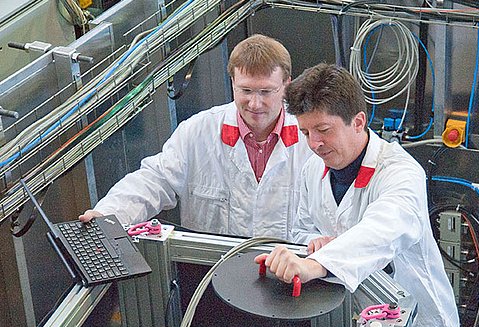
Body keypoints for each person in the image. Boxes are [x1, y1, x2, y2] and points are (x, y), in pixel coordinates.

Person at [255, 63, 478, 327]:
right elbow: (301, 226)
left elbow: (384, 227)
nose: (314, 143)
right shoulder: (315, 168)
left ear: (358, 121)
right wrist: (314, 242)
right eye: (306, 131)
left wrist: (317, 263)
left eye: (324, 130)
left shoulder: (400, 173)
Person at [79, 34, 313, 240]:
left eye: (265, 92)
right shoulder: (198, 132)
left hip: (290, 276)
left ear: (286, 85)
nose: (255, 103)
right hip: (211, 274)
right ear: (232, 82)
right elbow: (154, 180)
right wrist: (108, 215)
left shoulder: (311, 141)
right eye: (246, 90)